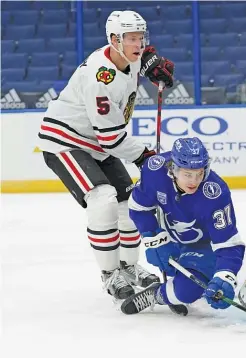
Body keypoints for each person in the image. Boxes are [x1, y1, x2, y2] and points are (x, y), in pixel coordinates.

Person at [37, 10, 175, 301]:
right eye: (131, 38)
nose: (138, 44)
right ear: (114, 40)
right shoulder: (101, 77)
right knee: (102, 200)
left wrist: (152, 63)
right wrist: (145, 155)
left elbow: (145, 57)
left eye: (141, 37)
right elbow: (111, 138)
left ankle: (130, 267)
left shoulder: (129, 56)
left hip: (98, 143)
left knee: (130, 205)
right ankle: (110, 275)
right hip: (65, 141)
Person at [120, 137, 245, 315]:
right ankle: (179, 280)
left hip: (202, 246)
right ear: (173, 169)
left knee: (187, 291)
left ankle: (157, 294)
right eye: (188, 174)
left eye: (199, 173)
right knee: (175, 271)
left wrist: (225, 276)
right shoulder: (154, 171)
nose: (194, 181)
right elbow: (138, 208)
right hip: (169, 237)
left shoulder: (215, 193)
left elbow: (228, 244)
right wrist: (154, 238)